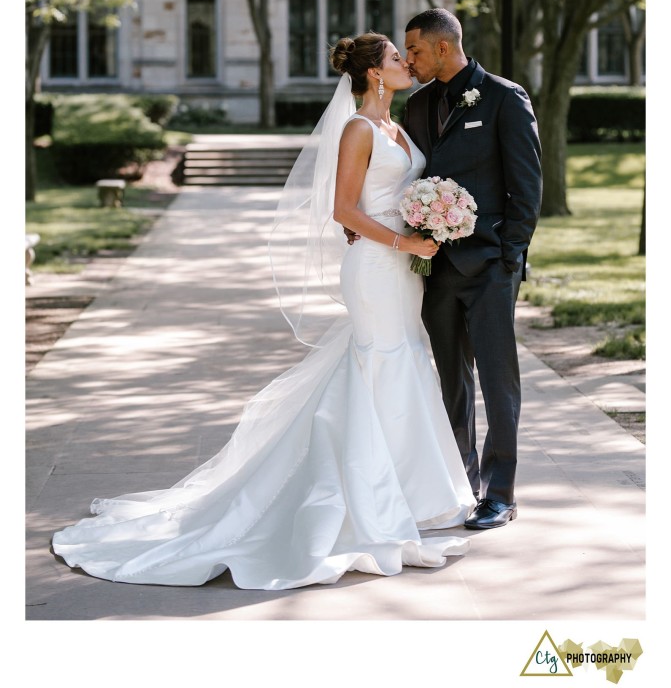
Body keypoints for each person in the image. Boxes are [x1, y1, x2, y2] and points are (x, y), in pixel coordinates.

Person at [51, 32, 475, 590]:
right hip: (376, 268)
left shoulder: (398, 126)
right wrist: (404, 243)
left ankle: (404, 496)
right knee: (382, 366)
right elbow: (342, 209)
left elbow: (386, 200)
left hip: (402, 269)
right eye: (397, 57)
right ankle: (369, 509)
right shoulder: (357, 129)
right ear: (374, 73)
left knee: (401, 364)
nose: (406, 62)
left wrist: (429, 221)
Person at [402, 8, 542, 530]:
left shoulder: (505, 97)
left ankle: (500, 494)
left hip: (489, 267)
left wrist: (509, 256)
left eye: (414, 50)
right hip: (433, 269)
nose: (408, 59)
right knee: (450, 383)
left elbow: (527, 186)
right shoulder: (416, 107)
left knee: (498, 382)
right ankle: (460, 485)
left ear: (443, 46)